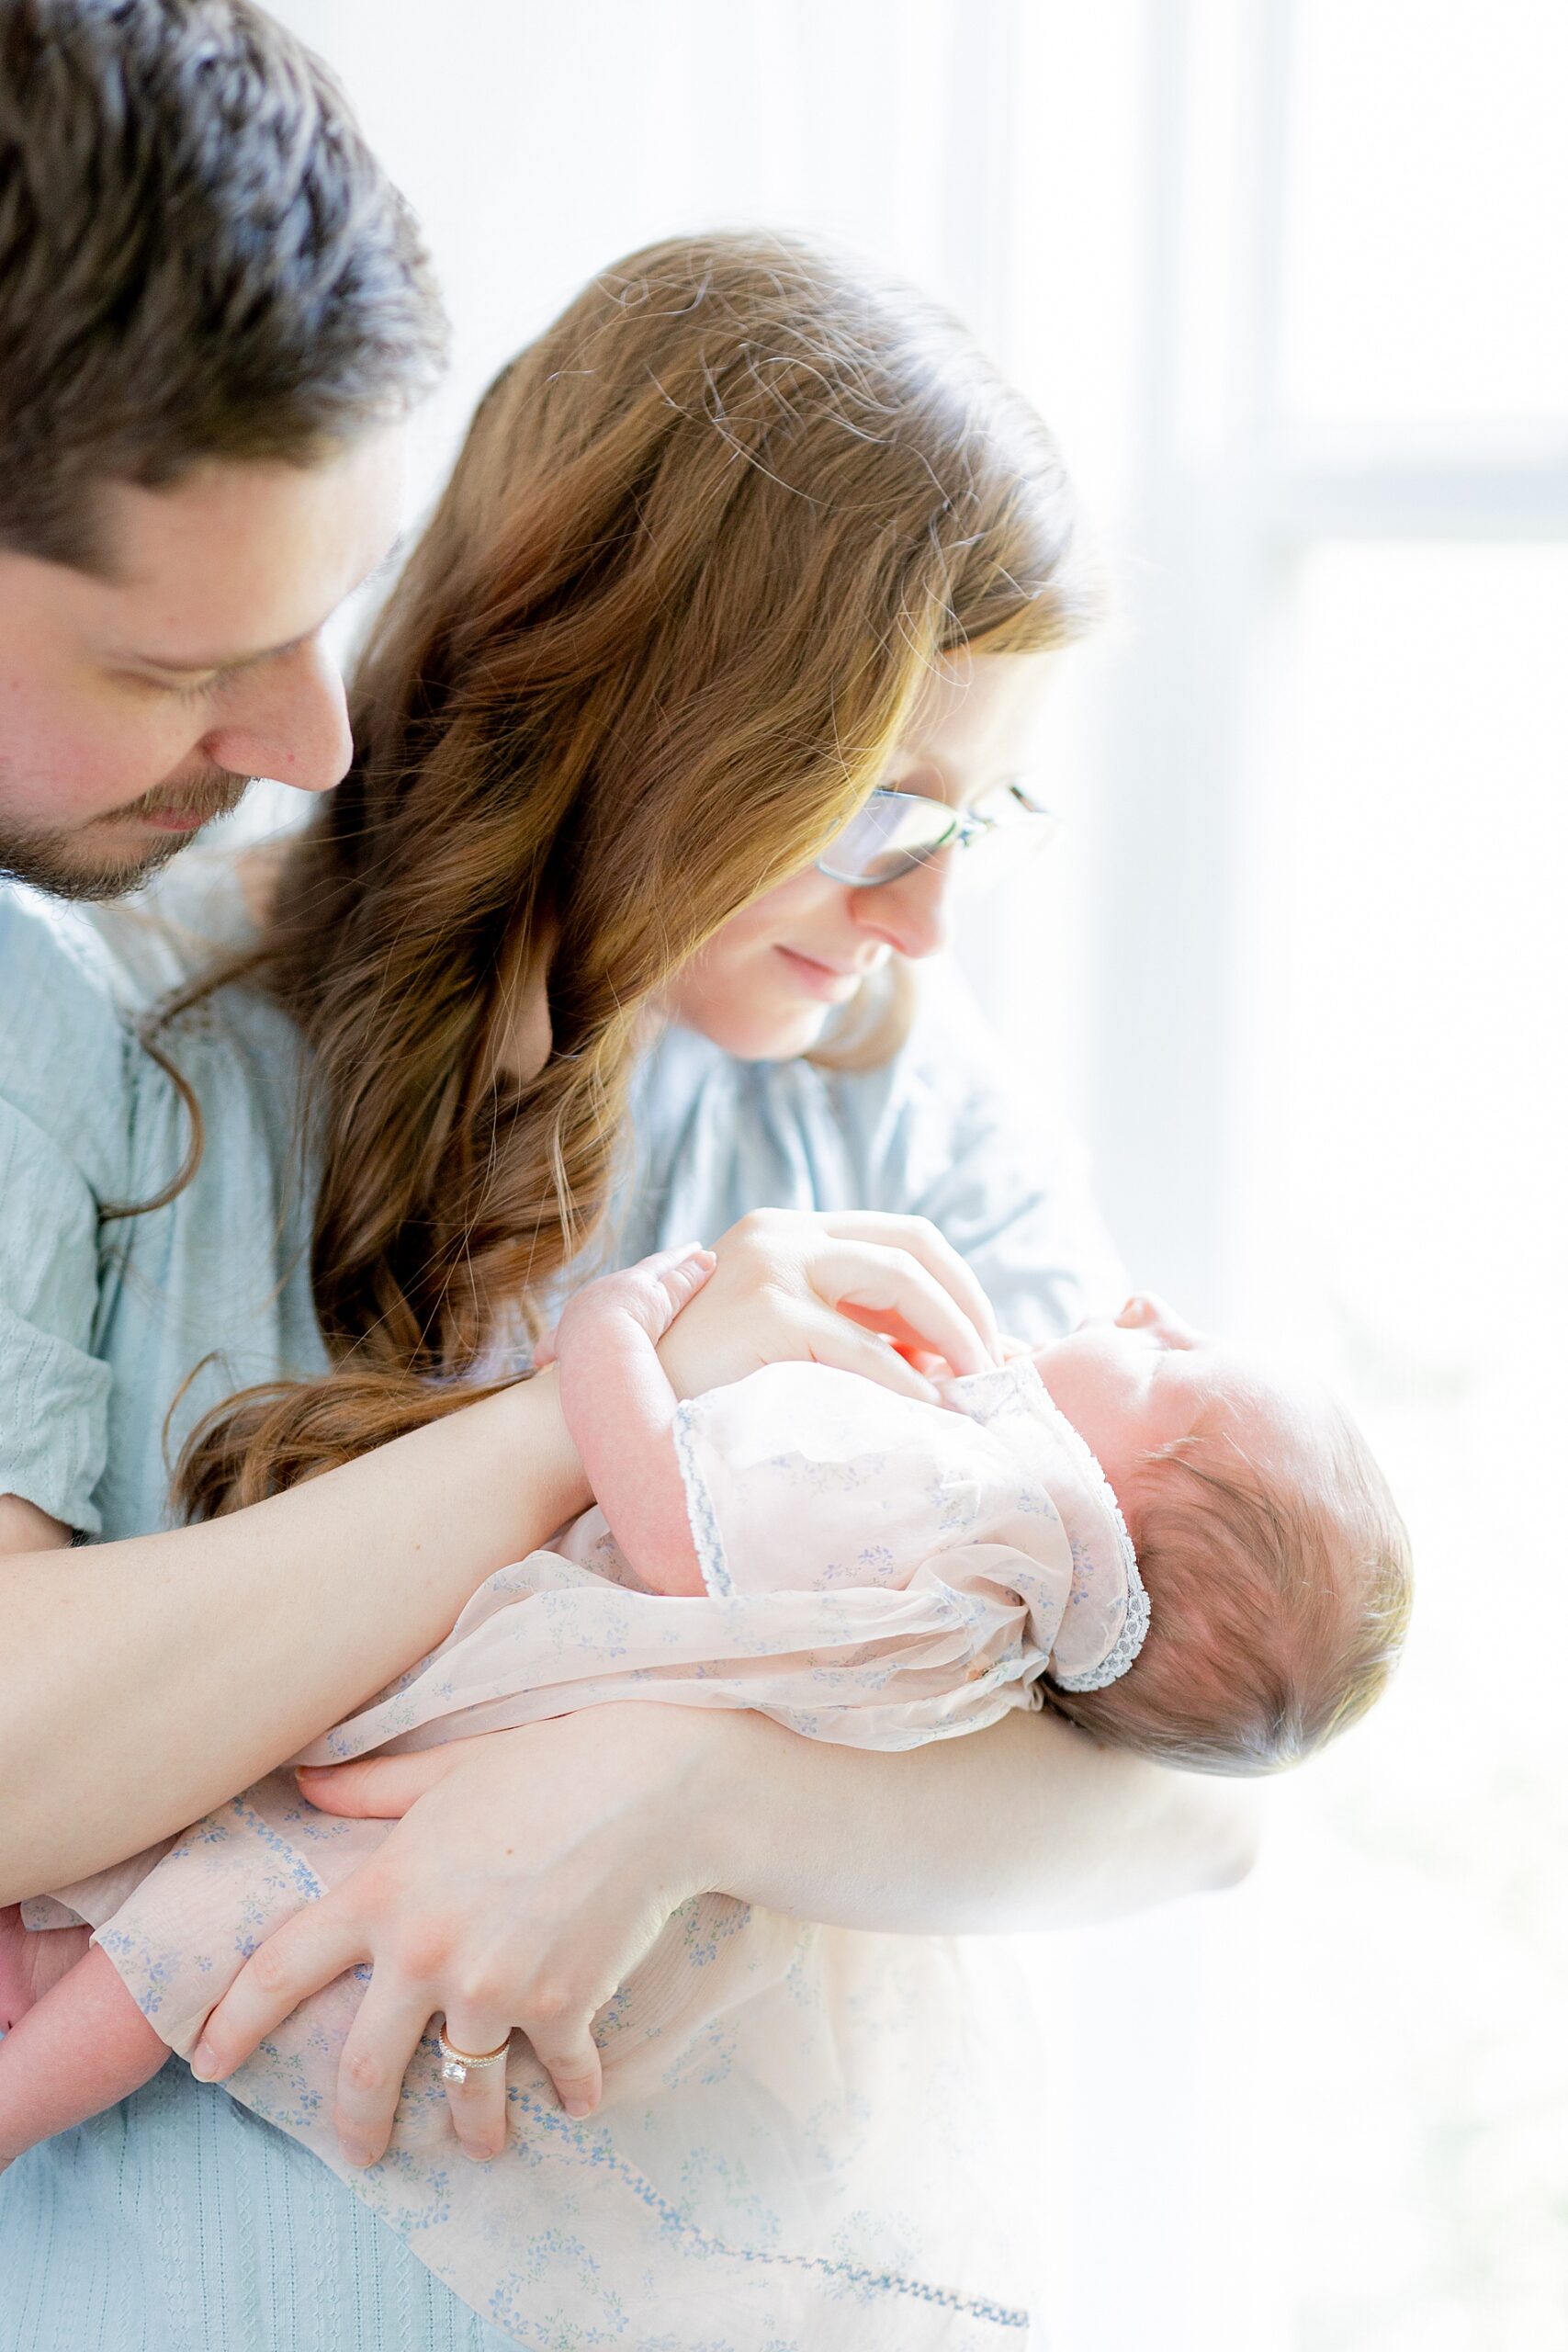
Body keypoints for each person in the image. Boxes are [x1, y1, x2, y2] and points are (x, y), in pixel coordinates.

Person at [0, 38, 1256, 2331]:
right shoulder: (105, 1004)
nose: (918, 921)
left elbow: (1191, 1793)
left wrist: (679, 1787)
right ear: (652, 697)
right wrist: (624, 1382)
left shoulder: (889, 1102)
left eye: (973, 825)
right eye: (882, 809)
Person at [0, 1256, 1412, 2207]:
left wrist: (612, 1338)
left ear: (1123, 1511)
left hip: (498, 1708)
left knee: (195, 1915)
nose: (1151, 1309)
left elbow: (681, 1531)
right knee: (191, 1927)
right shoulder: (1020, 1644)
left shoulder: (961, 1503)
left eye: (1179, 1376)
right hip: (575, 1922)